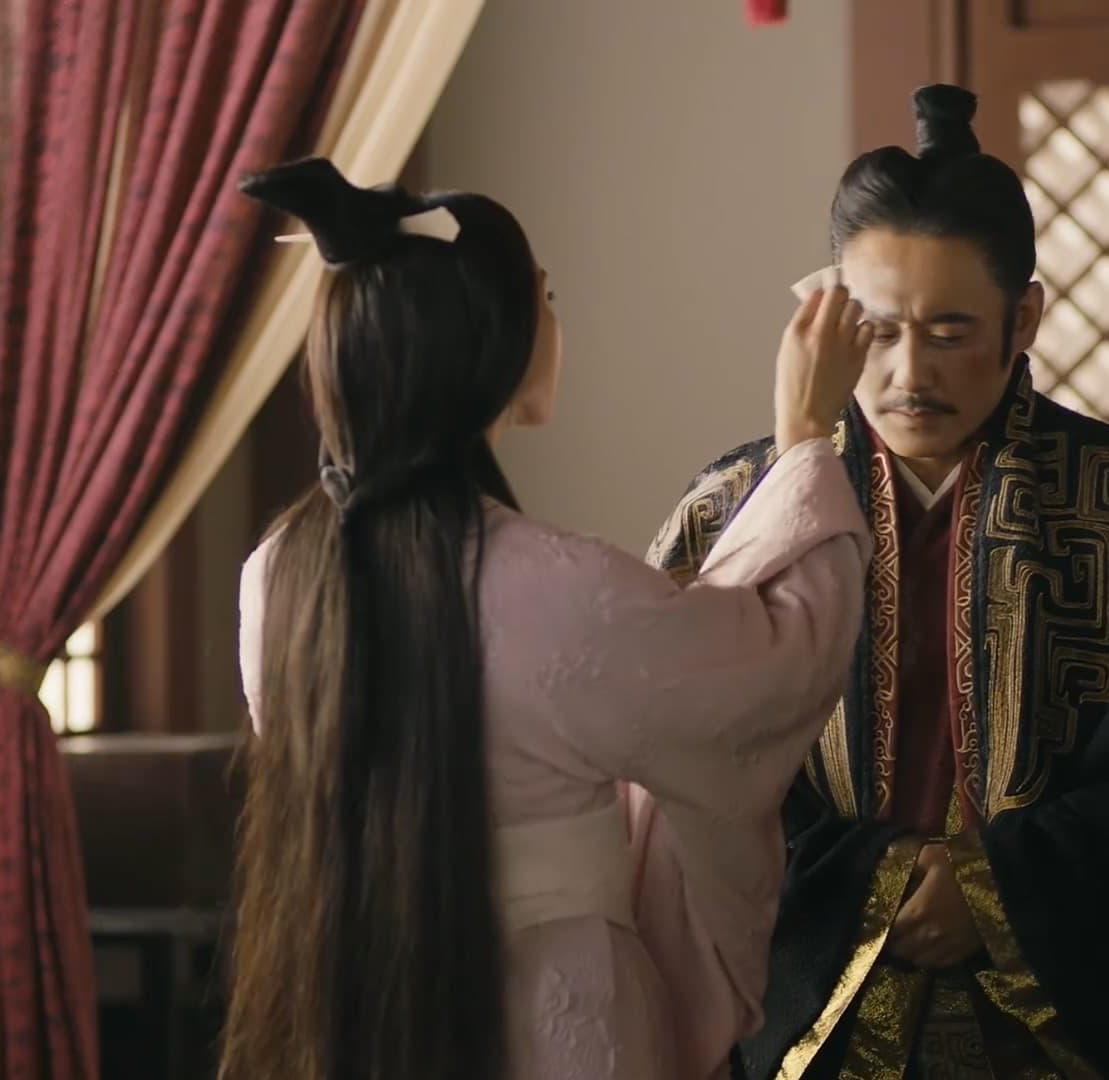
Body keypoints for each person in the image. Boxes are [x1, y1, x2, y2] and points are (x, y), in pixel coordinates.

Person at [648, 86, 1109, 1079]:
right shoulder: (733, 510)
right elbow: (668, 768)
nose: (911, 373)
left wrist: (998, 890)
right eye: (878, 330)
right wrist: (871, 885)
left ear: (1023, 316)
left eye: (951, 331)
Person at [222, 157, 876, 1080]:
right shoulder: (560, 585)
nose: (556, 323)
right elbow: (763, 670)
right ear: (493, 343)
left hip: (354, 999)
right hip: (553, 1009)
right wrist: (805, 435)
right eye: (547, 298)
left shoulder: (276, 577)